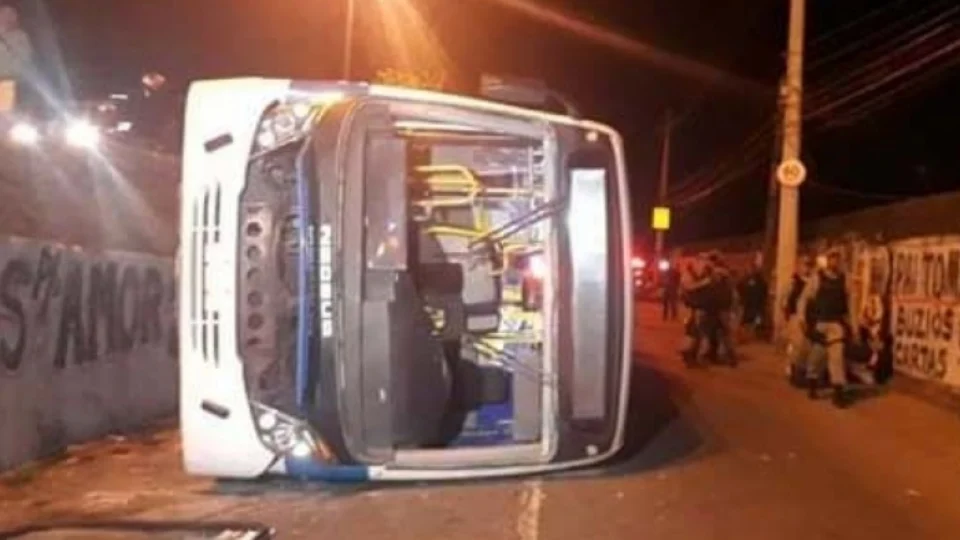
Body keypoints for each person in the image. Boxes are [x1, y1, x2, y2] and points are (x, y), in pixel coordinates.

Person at [797, 248, 855, 408]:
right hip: (820, 323)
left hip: (836, 324)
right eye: (832, 258)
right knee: (817, 357)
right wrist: (802, 319)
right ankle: (812, 382)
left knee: (836, 358)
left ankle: (838, 391)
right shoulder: (817, 278)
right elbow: (804, 299)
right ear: (828, 260)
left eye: (837, 258)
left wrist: (853, 326)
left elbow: (851, 304)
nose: (835, 261)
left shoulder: (845, 279)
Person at [784, 256, 814, 387]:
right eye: (804, 265)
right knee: (797, 345)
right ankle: (793, 371)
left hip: (809, 317)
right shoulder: (794, 282)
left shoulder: (812, 281)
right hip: (796, 316)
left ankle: (801, 371)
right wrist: (788, 317)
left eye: (808, 265)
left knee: (805, 347)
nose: (806, 268)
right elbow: (785, 300)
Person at [0, 5, 32, 113]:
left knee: (5, 116)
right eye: (3, 13)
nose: (6, 16)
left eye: (10, 14)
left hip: (8, 84)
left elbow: (22, 63)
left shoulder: (20, 37)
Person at [738, 260, 768, 339]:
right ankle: (752, 334)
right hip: (752, 303)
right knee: (753, 319)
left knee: (754, 319)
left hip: (754, 303)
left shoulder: (755, 279)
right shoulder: (749, 279)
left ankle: (753, 334)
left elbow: (763, 290)